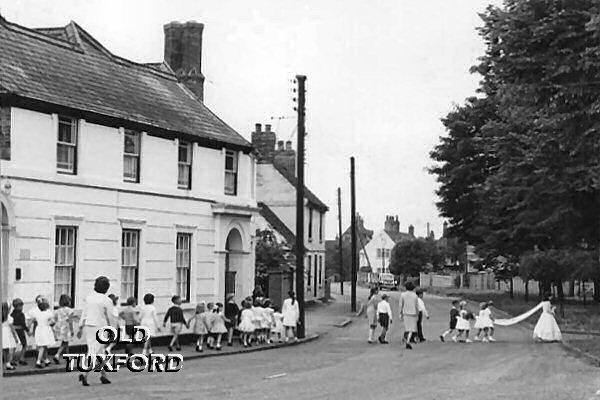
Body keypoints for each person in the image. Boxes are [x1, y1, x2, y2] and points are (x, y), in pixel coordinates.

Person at [76, 276, 112, 386]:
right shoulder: (106, 300)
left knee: (98, 351)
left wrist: (80, 327)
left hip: (89, 325)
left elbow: (84, 313)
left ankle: (104, 376)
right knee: (94, 351)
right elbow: (110, 316)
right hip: (100, 327)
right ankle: (84, 373)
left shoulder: (89, 298)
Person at [30, 296, 55, 368]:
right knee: (43, 346)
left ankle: (46, 360)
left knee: (43, 345)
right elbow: (52, 322)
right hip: (45, 330)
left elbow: (33, 320)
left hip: (39, 330)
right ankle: (38, 361)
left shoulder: (37, 313)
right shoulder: (48, 313)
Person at [53, 294, 74, 363]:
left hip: (59, 327)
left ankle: (68, 356)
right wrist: (72, 329)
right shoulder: (70, 310)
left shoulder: (58, 310)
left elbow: (55, 319)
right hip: (66, 327)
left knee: (66, 342)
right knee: (64, 342)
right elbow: (70, 321)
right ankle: (57, 354)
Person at [399, 281, 419, 349]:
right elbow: (417, 306)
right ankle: (408, 341)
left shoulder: (403, 295)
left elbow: (401, 305)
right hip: (413, 313)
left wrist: (400, 313)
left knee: (407, 327)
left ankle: (406, 338)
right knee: (411, 329)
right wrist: (417, 314)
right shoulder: (415, 295)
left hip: (405, 313)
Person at [10, 298, 29, 366]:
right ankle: (21, 358)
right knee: (24, 345)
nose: (22, 307)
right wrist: (28, 330)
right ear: (18, 306)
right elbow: (23, 324)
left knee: (14, 346)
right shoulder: (21, 314)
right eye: (21, 306)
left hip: (14, 331)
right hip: (20, 331)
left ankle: (11, 359)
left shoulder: (12, 314)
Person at [2, 301, 18, 370]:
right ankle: (8, 363)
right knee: (7, 350)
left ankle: (8, 363)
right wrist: (16, 338)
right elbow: (12, 329)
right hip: (7, 334)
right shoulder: (9, 318)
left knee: (4, 349)